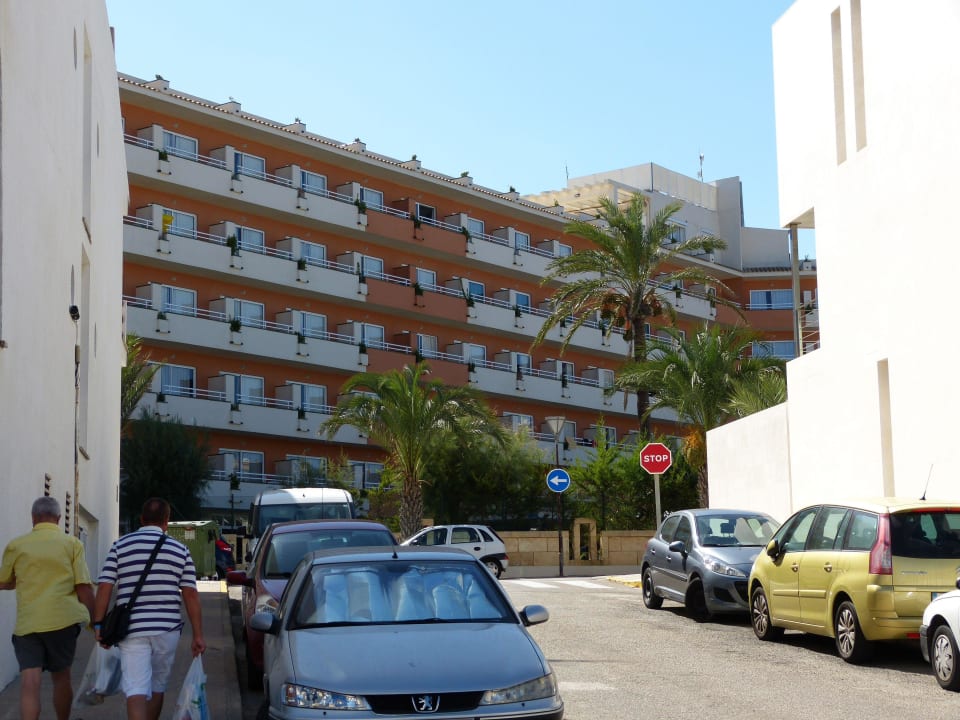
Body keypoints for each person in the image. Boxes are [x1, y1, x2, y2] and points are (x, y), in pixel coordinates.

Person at [93, 497, 205, 720]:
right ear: (167, 521)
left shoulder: (120, 545)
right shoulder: (180, 550)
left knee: (135, 687)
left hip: (131, 628)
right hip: (167, 629)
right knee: (158, 685)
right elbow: (190, 593)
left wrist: (98, 623)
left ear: (142, 520)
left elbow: (105, 586)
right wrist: (198, 635)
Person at [0, 496, 96, 720]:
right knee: (61, 677)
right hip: (62, 621)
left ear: (33, 518)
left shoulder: (17, 545)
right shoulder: (72, 544)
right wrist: (96, 620)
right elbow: (83, 586)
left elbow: (4, 581)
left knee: (30, 682)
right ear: (59, 518)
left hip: (28, 625)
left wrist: (19, 579)